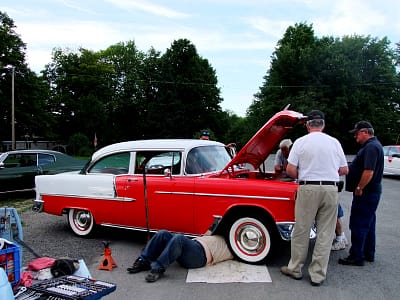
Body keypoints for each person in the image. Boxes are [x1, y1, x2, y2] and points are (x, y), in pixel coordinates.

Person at [280, 110, 348, 286]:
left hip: (308, 188)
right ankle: (318, 274)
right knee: (325, 233)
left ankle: (295, 268)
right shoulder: (334, 142)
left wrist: (304, 173)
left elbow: (290, 170)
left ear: (308, 125)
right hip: (330, 189)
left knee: (302, 229)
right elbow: (344, 170)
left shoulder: (301, 142)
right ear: (323, 125)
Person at [338, 121, 384, 266]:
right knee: (368, 223)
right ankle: (368, 252)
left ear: (365, 132)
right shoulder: (374, 146)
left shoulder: (371, 147)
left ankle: (356, 256)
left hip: (366, 192)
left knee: (358, 224)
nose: (355, 137)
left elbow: (369, 171)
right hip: (372, 192)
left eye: (357, 133)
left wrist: (359, 187)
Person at [127, 230, 233, 282]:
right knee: (162, 233)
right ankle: (143, 261)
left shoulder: (236, 246)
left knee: (179, 238)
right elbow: (208, 231)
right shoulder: (220, 231)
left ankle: (158, 268)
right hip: (193, 246)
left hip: (200, 256)